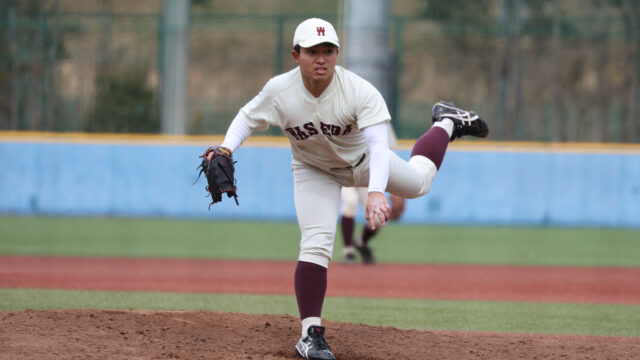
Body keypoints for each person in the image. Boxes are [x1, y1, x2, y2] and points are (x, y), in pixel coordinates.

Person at [206, 17, 488, 360]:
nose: (321, 58)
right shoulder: (279, 91)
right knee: (315, 243)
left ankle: (446, 121)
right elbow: (248, 117)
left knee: (419, 184)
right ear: (296, 55)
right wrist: (225, 148)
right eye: (312, 51)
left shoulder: (358, 90)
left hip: (365, 161)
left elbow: (380, 146)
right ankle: (311, 334)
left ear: (337, 53)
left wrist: (375, 192)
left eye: (329, 50)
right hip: (314, 170)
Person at [340, 127, 405, 265]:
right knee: (350, 202)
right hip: (342, 171)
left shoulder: (380, 117)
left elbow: (390, 153)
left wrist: (396, 190)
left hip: (366, 174)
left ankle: (361, 242)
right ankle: (348, 251)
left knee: (377, 217)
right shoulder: (342, 110)